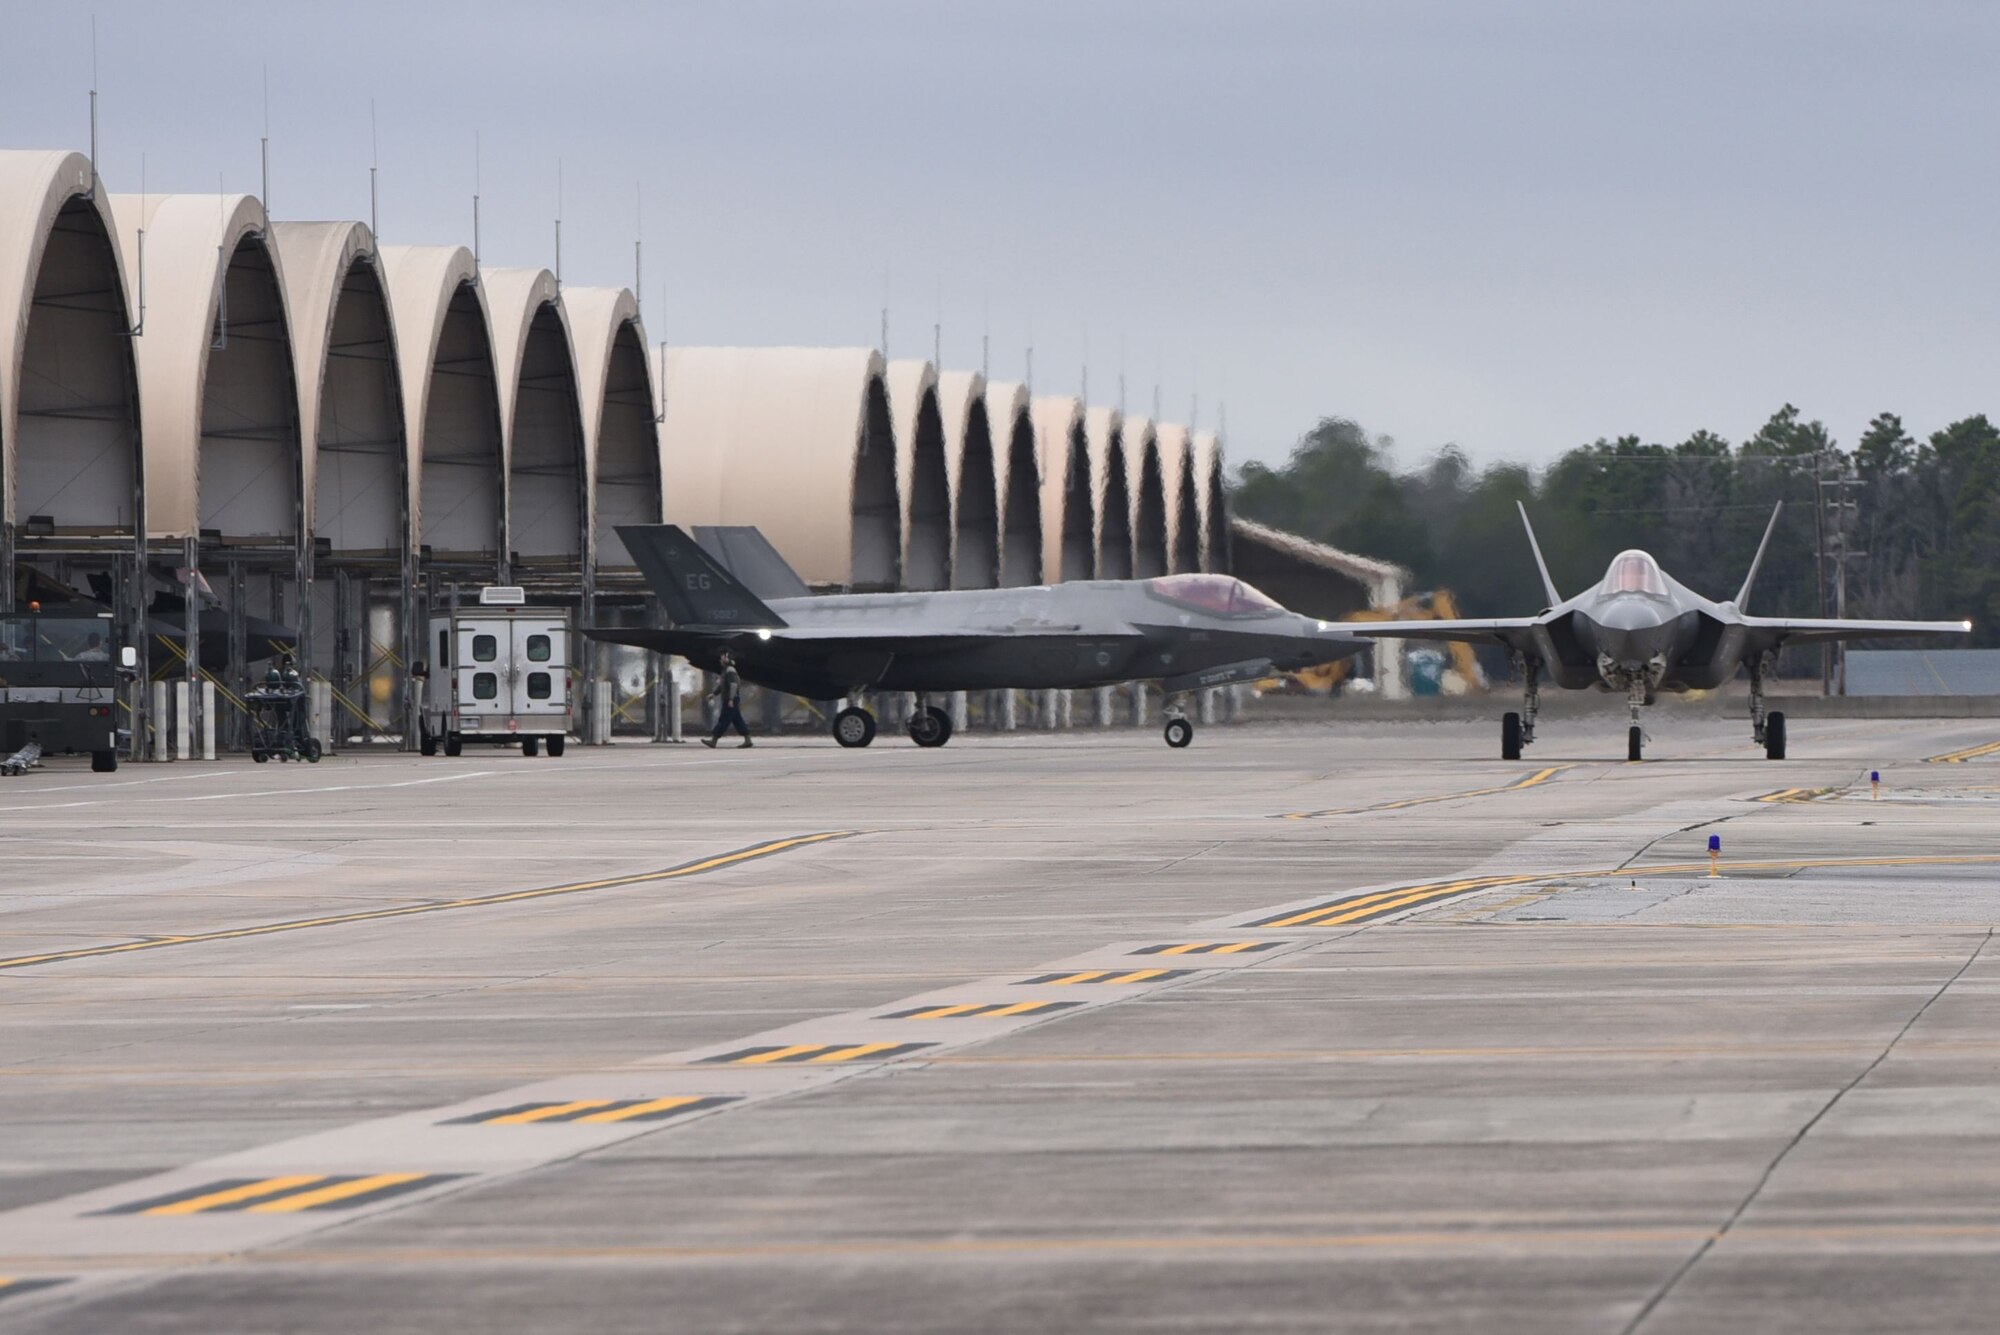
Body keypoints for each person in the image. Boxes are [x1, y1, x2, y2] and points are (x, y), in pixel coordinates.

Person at [701, 650, 752, 749]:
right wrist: (714, 694)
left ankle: (713, 740)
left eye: (723, 657)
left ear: (727, 658)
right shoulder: (726, 670)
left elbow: (733, 685)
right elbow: (723, 686)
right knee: (738, 720)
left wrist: (731, 699)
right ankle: (748, 740)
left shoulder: (730, 670)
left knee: (724, 719)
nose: (721, 659)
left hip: (730, 699)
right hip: (731, 699)